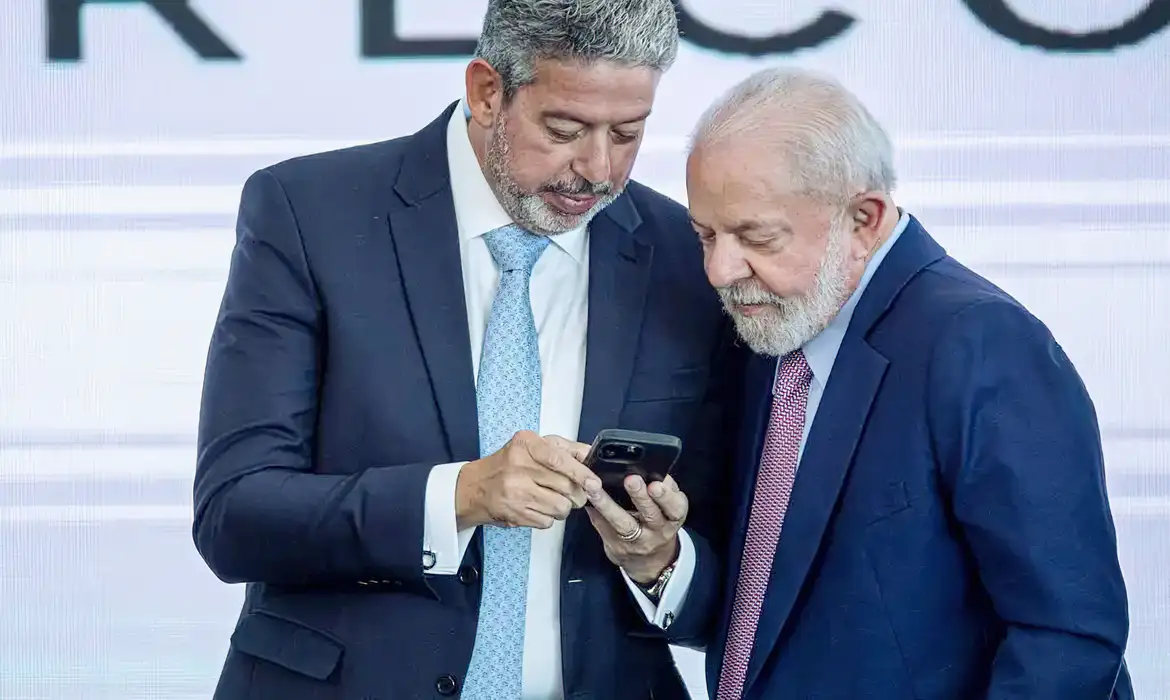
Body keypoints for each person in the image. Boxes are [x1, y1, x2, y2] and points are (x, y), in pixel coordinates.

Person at [191, 1, 740, 698]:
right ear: (486, 92)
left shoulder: (689, 256)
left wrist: (661, 560)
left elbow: (737, 570)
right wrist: (459, 495)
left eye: (628, 133)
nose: (599, 169)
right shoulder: (308, 214)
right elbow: (235, 514)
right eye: (565, 130)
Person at [664, 67, 1133, 699]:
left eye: (757, 237)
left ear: (864, 219)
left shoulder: (982, 343)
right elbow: (765, 609)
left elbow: (1069, 635)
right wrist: (661, 560)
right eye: (705, 235)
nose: (720, 270)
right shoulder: (776, 322)